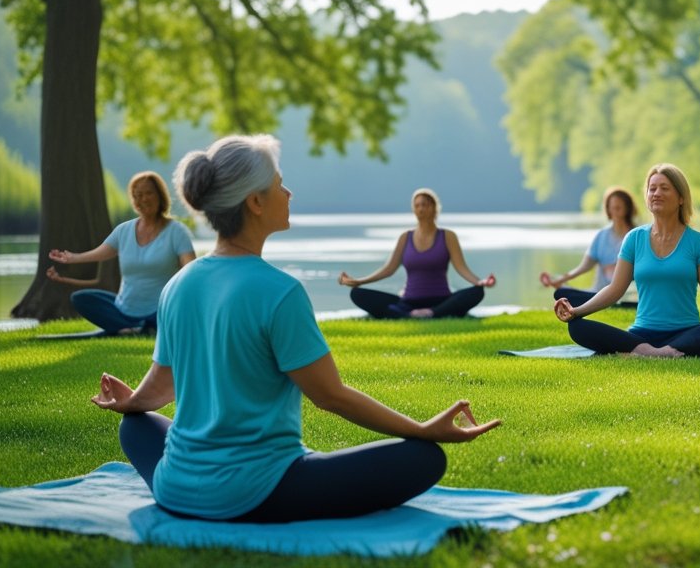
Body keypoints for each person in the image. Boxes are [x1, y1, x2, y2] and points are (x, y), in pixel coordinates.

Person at [91, 135, 499, 523]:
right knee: (426, 457)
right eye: (280, 185)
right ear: (254, 201)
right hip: (257, 494)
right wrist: (422, 429)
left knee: (136, 424)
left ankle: (190, 479)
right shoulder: (280, 291)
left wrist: (133, 403)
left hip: (175, 488)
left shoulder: (177, 285)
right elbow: (331, 397)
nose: (288, 194)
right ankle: (256, 494)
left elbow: (162, 386)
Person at [553, 163, 700, 357]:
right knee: (577, 327)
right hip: (642, 334)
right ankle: (657, 351)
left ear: (681, 198)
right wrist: (577, 311)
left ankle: (653, 352)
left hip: (686, 332)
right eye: (652, 188)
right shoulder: (634, 239)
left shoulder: (699, 242)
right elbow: (615, 289)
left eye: (664, 188)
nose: (656, 193)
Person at [46, 171, 196, 334]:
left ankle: (137, 327)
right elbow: (100, 253)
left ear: (160, 196)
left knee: (172, 309)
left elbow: (191, 270)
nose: (143, 199)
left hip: (159, 310)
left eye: (148, 193)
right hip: (123, 310)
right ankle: (138, 327)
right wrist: (71, 258)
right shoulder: (124, 230)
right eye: (137, 195)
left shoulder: (177, 231)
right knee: (81, 298)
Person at [338, 188, 496, 319]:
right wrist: (359, 281)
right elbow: (388, 269)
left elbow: (462, 268)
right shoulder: (405, 237)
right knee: (357, 294)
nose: (421, 208)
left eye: (425, 205)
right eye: (417, 205)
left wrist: (480, 282)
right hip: (408, 302)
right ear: (414, 209)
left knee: (476, 292)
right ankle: (409, 314)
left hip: (441, 301)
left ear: (434, 208)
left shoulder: (447, 236)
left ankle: (430, 313)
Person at [540, 186, 638, 309]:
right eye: (612, 208)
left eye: (618, 208)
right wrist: (561, 279)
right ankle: (562, 285)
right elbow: (583, 267)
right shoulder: (601, 236)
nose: (615, 212)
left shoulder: (637, 236)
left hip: (628, 295)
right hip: (598, 293)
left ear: (627, 209)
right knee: (561, 293)